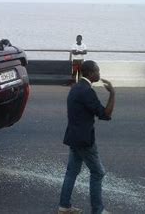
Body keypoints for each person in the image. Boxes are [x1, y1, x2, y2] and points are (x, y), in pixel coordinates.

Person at [58, 60, 115, 214]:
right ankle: (98, 209)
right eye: (97, 71)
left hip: (73, 137)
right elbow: (105, 114)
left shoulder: (76, 88)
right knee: (98, 172)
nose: (99, 74)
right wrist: (112, 93)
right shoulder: (87, 91)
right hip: (84, 140)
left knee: (72, 171)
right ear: (90, 73)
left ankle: (64, 207)